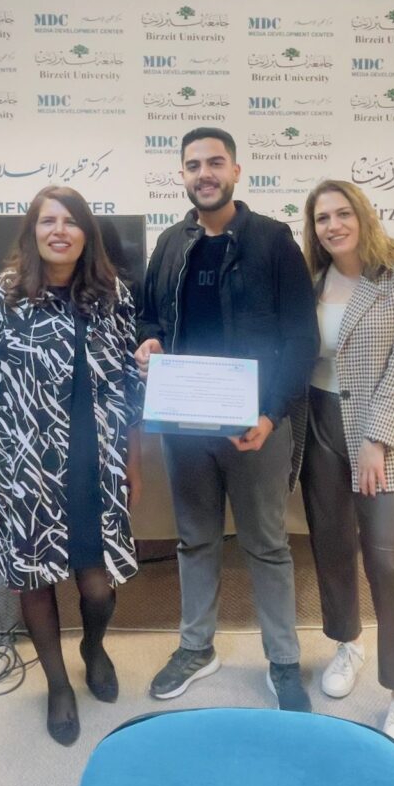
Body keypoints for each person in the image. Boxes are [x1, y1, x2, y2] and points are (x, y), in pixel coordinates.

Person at [0, 186, 143, 746]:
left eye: (71, 221)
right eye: (47, 221)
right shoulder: (0, 296)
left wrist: (132, 463)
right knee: (34, 580)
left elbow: (128, 387)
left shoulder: (113, 296)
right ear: (32, 231)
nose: (59, 230)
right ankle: (58, 684)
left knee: (98, 586)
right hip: (24, 469)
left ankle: (93, 647)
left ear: (86, 233)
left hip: (96, 466)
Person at [136, 127, 319, 712]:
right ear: (182, 176)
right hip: (185, 425)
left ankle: (283, 661)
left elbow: (301, 339)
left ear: (236, 171)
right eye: (193, 165)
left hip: (256, 426)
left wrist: (270, 413)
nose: (204, 173)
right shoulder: (170, 243)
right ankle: (197, 648)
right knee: (195, 539)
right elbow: (149, 318)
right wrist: (150, 343)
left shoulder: (273, 241)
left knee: (266, 545)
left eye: (215, 162)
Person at [300, 179, 394, 751]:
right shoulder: (311, 278)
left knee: (386, 557)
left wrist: (377, 438)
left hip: (384, 431)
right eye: (322, 218)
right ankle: (348, 643)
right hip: (319, 423)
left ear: (362, 214)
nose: (333, 225)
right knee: (331, 542)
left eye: (342, 213)